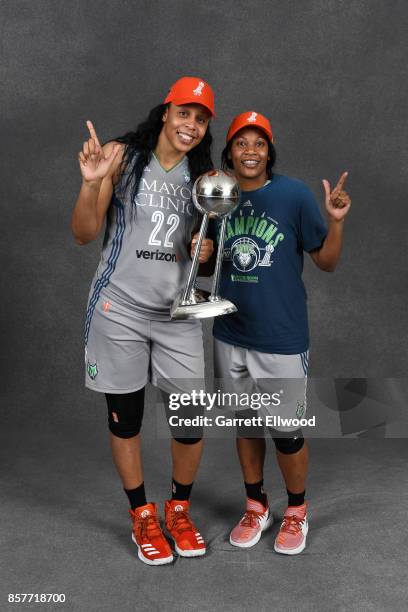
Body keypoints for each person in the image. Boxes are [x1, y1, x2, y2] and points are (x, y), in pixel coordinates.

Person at [71, 76, 215, 565]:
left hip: (177, 315)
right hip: (120, 309)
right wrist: (92, 185)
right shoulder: (123, 157)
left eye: (200, 118)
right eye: (184, 113)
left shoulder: (205, 178)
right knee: (127, 419)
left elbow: (206, 256)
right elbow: (83, 232)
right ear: (165, 112)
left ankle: (178, 508)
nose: (190, 125)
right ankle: (142, 515)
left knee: (190, 420)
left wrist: (207, 251)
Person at [213, 111, 351, 555]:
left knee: (287, 430)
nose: (250, 151)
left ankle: (296, 510)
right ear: (229, 151)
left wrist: (336, 221)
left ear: (269, 151)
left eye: (259, 143)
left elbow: (326, 262)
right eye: (241, 143)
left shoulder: (292, 195)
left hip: (281, 336)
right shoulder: (218, 195)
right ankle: (256, 505)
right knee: (246, 425)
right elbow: (204, 258)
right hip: (230, 330)